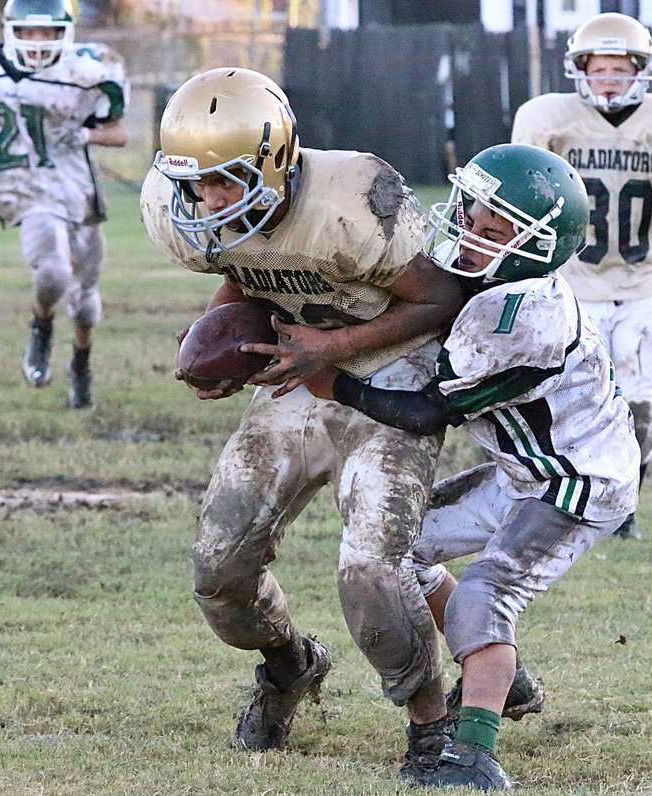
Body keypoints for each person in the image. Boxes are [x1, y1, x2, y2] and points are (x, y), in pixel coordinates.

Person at [139, 66, 469, 778]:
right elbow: (250, 266)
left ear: (276, 158)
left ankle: (433, 726)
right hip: (296, 373)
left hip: (391, 373)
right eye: (193, 183)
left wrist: (336, 347)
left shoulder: (351, 198)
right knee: (219, 568)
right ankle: (291, 666)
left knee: (370, 569)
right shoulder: (197, 209)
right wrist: (219, 335)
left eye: (224, 180)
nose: (207, 200)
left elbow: (440, 298)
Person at [302, 143, 641, 789]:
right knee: (403, 549)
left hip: (577, 482)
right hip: (526, 469)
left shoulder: (520, 316)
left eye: (491, 230)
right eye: (469, 213)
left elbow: (429, 414)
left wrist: (335, 383)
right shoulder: (493, 287)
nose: (467, 232)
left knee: (487, 594)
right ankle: (501, 681)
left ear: (533, 247)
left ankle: (474, 756)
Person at [511, 12, 652, 539]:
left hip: (642, 282)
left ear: (641, 70)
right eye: (600, 67)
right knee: (570, 399)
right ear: (580, 70)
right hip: (573, 282)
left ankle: (624, 501)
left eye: (619, 67)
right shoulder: (549, 117)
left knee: (639, 403)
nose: (609, 78)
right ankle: (562, 496)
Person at [0, 0, 129, 409]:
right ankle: (41, 324)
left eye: (48, 32)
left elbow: (118, 133)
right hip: (24, 187)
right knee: (53, 272)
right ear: (13, 31)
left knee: (84, 300)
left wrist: (85, 137)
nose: (39, 41)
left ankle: (81, 364)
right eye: (30, 32)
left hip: (75, 189)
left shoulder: (89, 72)